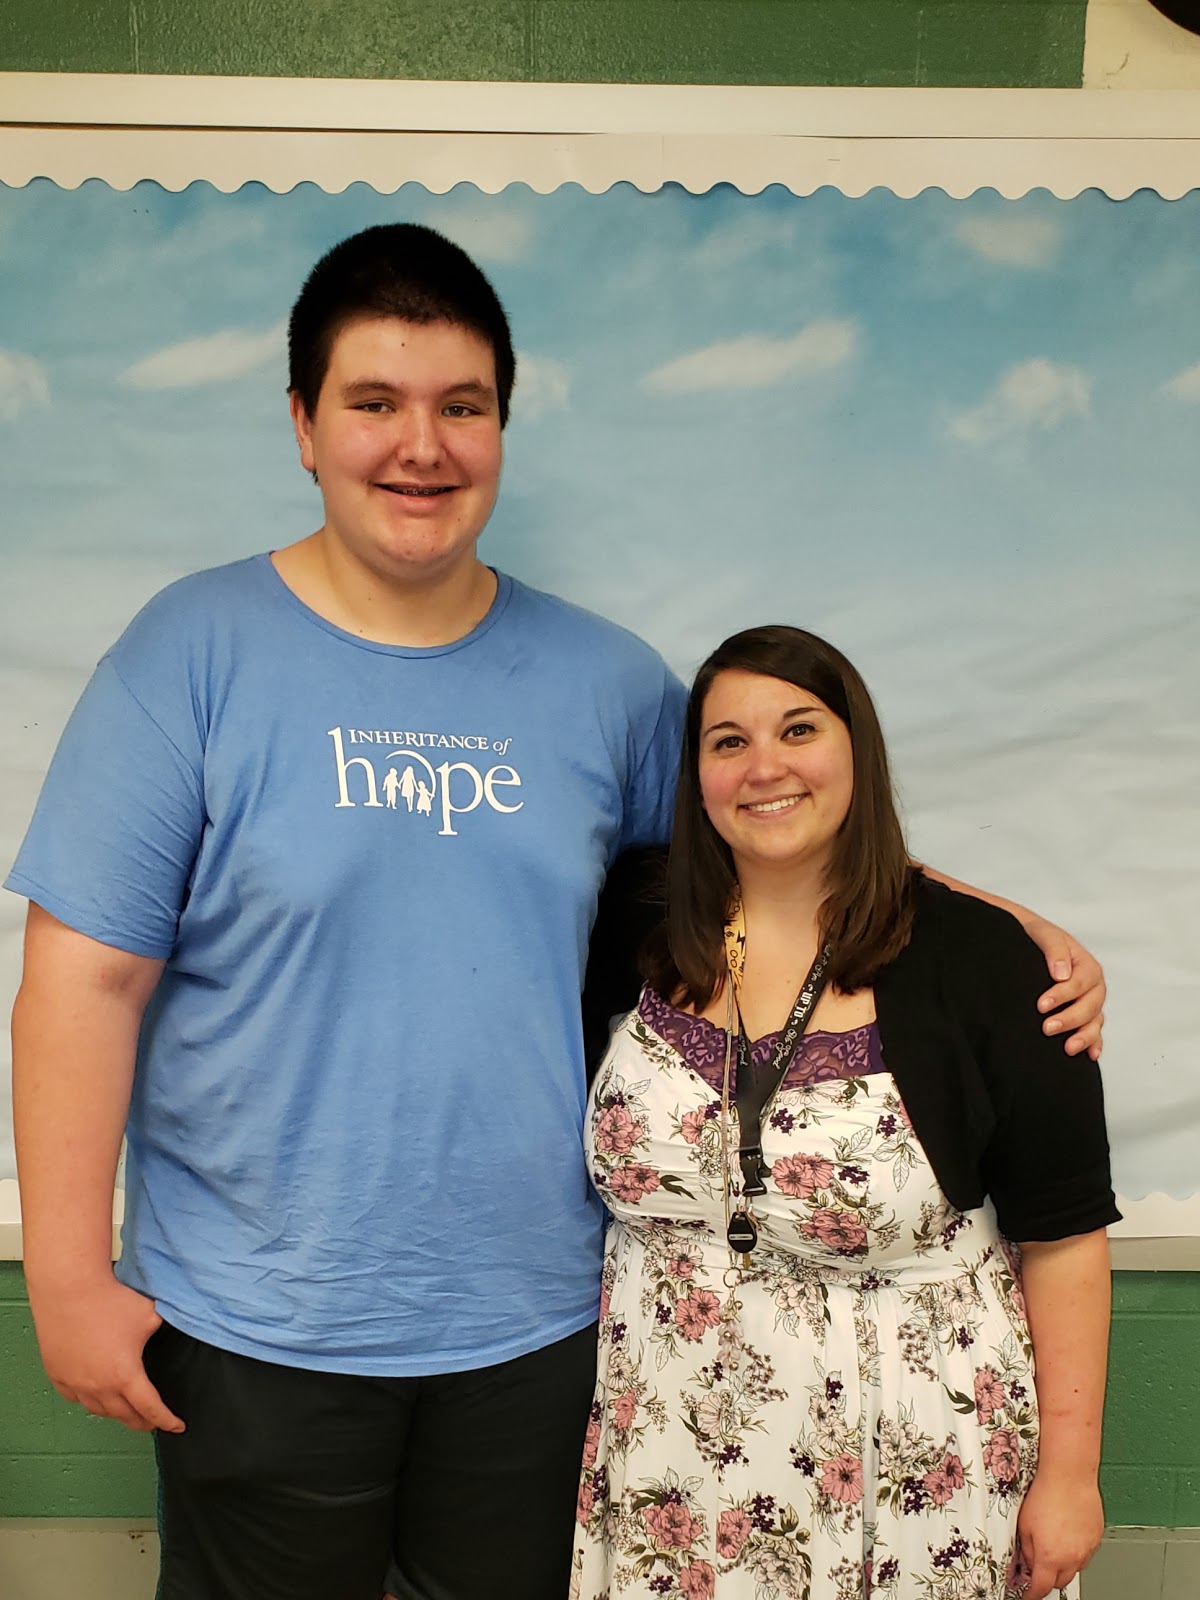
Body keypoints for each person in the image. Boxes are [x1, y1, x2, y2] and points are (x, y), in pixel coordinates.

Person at [6, 225, 1104, 1600]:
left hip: (545, 1330)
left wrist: (993, 924)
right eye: (375, 403)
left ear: (501, 430)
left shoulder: (606, 682)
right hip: (255, 1324)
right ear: (301, 424)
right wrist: (65, 1275)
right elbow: (79, 983)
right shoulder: (187, 655)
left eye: (461, 407)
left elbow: (757, 856)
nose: (423, 445)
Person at [572, 626, 1117, 1600]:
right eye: (728, 740)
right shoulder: (639, 923)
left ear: (856, 750)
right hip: (673, 1466)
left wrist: (1071, 1478)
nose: (764, 764)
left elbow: (1067, 1233)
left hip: (905, 1484)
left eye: (798, 729)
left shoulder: (986, 966)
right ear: (694, 775)